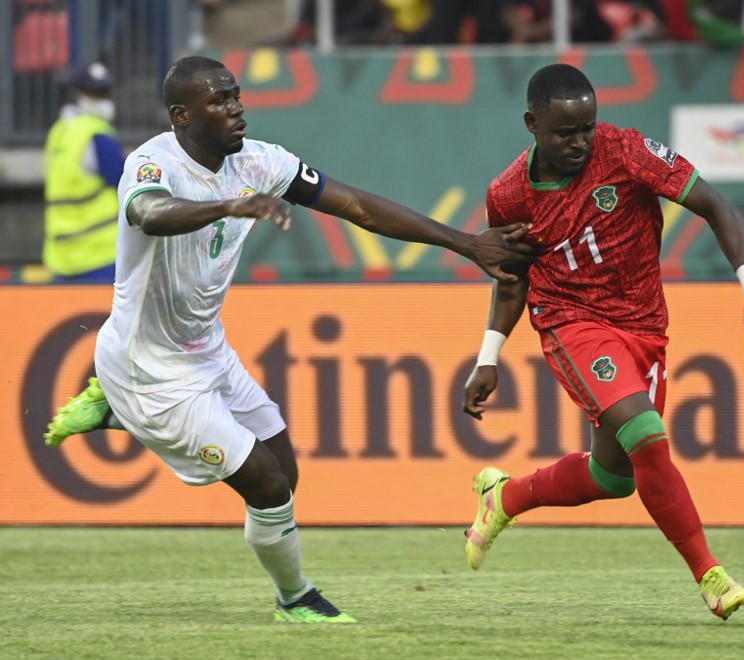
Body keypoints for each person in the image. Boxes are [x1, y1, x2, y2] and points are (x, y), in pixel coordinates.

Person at [42, 55, 533, 624]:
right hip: (149, 367)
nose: (236, 108)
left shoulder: (261, 162)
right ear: (181, 115)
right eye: (219, 101)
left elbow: (355, 206)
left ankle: (115, 409)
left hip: (207, 350)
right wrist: (227, 205)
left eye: (236, 95)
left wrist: (465, 243)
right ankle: (295, 598)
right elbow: (150, 214)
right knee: (268, 486)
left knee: (284, 474)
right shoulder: (151, 164)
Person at [460, 64, 744, 621]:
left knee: (613, 477)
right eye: (565, 132)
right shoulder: (509, 194)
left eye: (586, 127)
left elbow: (716, 206)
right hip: (570, 322)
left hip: (644, 327)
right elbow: (512, 279)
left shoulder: (628, 152)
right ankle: (710, 574)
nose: (581, 141)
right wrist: (488, 355)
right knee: (647, 434)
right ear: (532, 124)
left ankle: (505, 497)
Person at [43, 62, 126, 283]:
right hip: (102, 254)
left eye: (105, 92)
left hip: (62, 256)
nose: (103, 99)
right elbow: (126, 184)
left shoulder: (58, 131)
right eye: (96, 93)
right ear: (78, 94)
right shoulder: (97, 135)